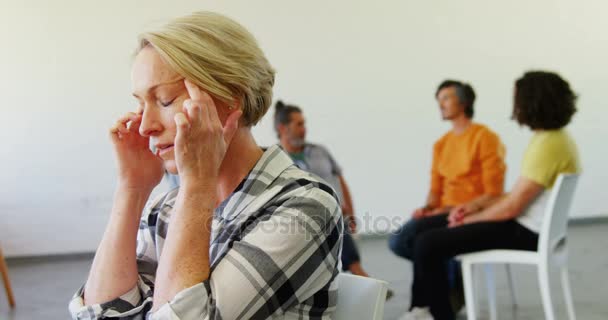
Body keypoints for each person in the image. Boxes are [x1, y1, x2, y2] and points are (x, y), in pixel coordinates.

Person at [69, 12, 343, 319]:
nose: (145, 125)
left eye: (164, 100)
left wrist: (198, 183)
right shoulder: (167, 209)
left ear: (230, 99)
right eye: (140, 103)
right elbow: (100, 315)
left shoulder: (306, 208)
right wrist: (131, 189)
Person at [399, 71, 580, 320]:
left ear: (533, 101)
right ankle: (422, 308)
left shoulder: (547, 144)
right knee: (421, 232)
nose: (515, 107)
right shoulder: (553, 139)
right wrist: (473, 209)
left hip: (525, 232)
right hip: (526, 226)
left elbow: (511, 207)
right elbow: (517, 195)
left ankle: (436, 312)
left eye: (518, 100)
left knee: (427, 244)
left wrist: (468, 219)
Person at [389, 80, 506, 311]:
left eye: (446, 98)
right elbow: (435, 189)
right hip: (443, 212)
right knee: (400, 240)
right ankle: (445, 289)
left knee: (421, 238)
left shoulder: (485, 137)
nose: (440, 105)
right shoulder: (441, 144)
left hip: (471, 213)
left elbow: (494, 192)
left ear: (464, 102)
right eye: (438, 100)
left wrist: (453, 209)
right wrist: (427, 207)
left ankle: (423, 306)